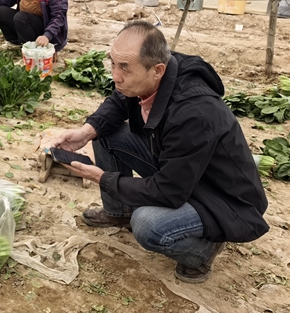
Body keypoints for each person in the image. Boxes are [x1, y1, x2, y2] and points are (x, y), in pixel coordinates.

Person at [52, 20, 268, 283]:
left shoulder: (194, 113)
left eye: (125, 68)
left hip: (221, 198)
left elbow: (168, 191)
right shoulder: (154, 71)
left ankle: (201, 253)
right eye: (113, 64)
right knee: (103, 131)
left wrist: (102, 178)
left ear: (157, 70)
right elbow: (119, 100)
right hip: (181, 169)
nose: (116, 76)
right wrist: (86, 132)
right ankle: (118, 212)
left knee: (147, 224)